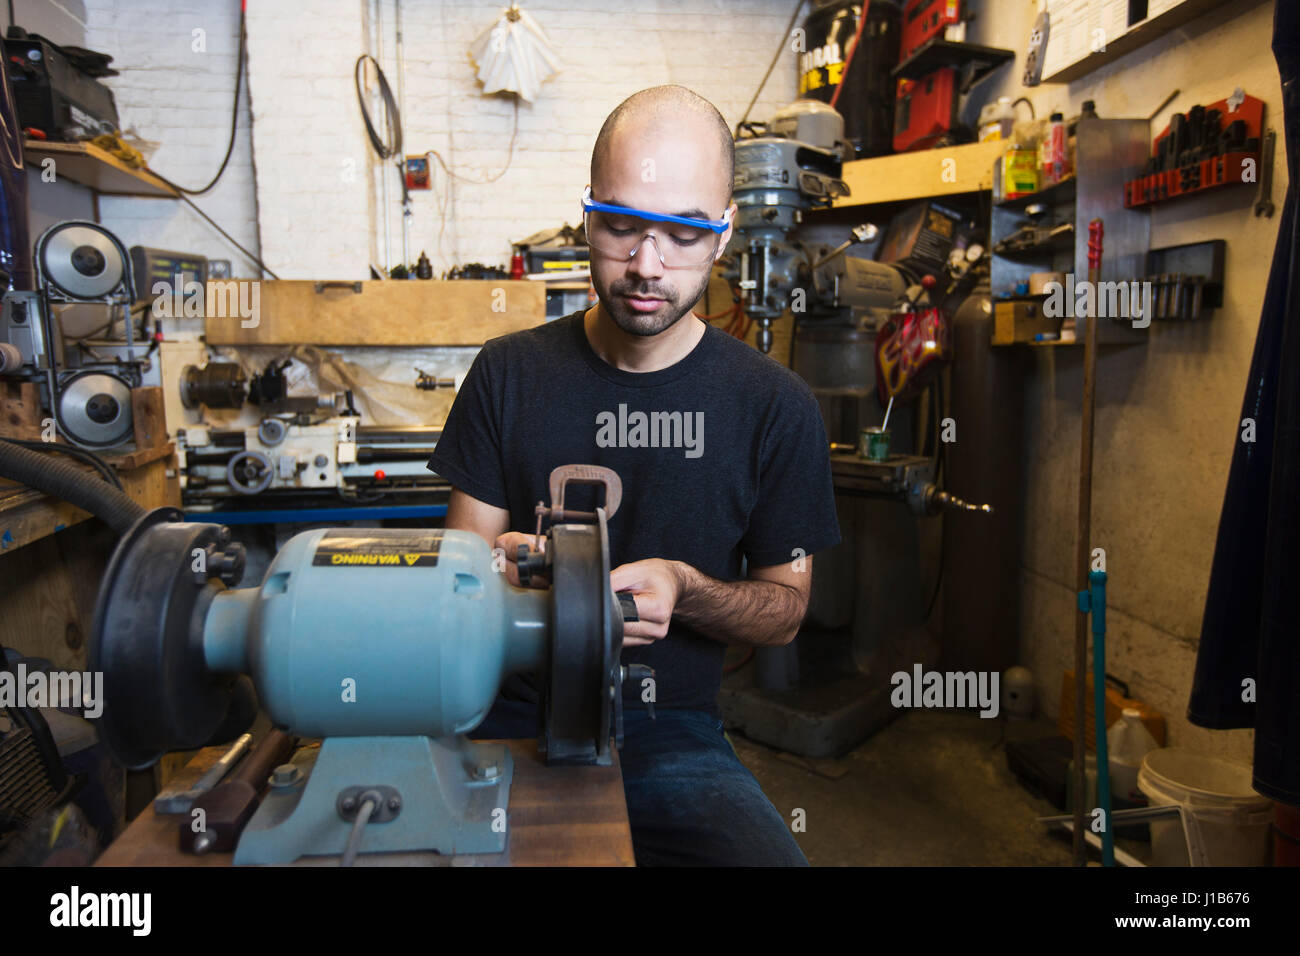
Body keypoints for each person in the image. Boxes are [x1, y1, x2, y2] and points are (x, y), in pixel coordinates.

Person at [427, 85, 839, 866]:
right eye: (620, 225)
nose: (646, 266)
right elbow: (457, 581)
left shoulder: (773, 407)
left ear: (722, 236)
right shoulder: (507, 374)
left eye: (682, 234)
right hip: (503, 710)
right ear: (586, 218)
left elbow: (783, 611)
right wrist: (498, 576)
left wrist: (688, 587)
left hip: (666, 731)